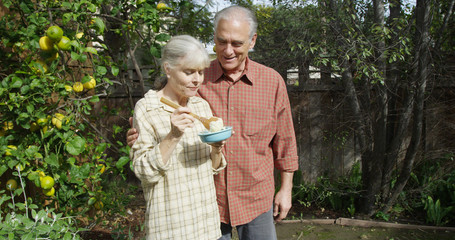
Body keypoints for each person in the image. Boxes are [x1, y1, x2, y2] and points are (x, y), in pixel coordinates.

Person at [127, 6, 298, 240]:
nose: (228, 51)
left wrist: (286, 189)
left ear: (252, 41)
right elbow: (162, 101)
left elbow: (285, 141)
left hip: (256, 198)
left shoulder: (271, 82)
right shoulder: (197, 77)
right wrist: (139, 131)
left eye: (237, 43)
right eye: (221, 41)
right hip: (208, 206)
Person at [129, 35, 227, 240]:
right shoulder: (147, 109)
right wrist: (173, 136)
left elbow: (213, 168)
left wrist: (217, 147)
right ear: (168, 69)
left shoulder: (200, 106)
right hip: (171, 229)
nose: (197, 79)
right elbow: (143, 171)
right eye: (188, 72)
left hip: (207, 227)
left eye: (200, 72)